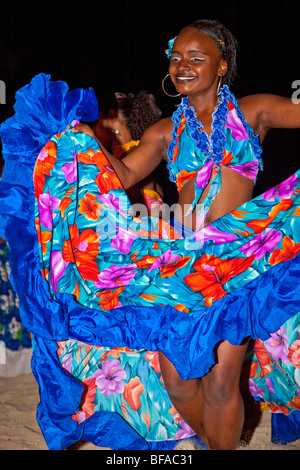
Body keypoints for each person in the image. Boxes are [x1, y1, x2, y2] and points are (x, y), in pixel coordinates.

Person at [0, 20, 299, 451]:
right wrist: (84, 141)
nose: (183, 65)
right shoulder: (164, 132)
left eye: (197, 58)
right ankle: (212, 440)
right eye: (176, 58)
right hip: (184, 268)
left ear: (221, 66)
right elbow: (120, 174)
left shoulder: (254, 110)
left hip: (239, 259)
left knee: (220, 382)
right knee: (178, 380)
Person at [93, 90, 164, 212]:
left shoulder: (127, 158)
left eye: (96, 121)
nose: (93, 128)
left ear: (111, 116)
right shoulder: (138, 153)